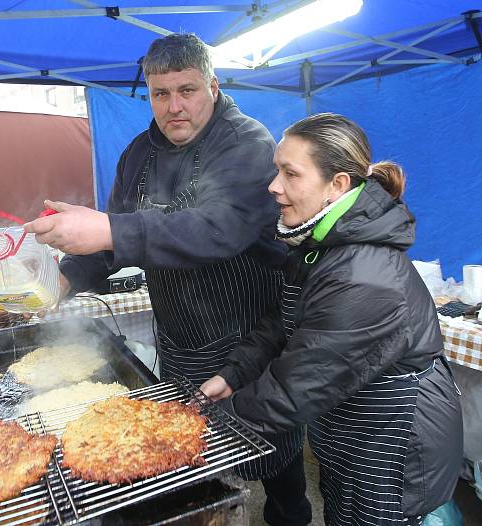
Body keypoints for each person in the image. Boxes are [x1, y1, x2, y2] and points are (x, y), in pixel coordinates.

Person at [25, 33, 311, 525]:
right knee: (192, 462)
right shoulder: (139, 154)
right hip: (180, 340)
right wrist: (67, 279)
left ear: (213, 87)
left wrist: (106, 226)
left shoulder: (247, 143)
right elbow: (112, 241)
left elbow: (217, 230)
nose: (175, 107)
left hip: (253, 340)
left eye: (188, 90)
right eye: (161, 94)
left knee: (273, 459)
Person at [201, 113, 463, 525]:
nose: (274, 186)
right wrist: (235, 373)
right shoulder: (321, 241)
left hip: (393, 446)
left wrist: (198, 433)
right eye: (276, 171)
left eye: (290, 174)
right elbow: (283, 320)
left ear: (337, 185)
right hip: (348, 426)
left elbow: (297, 384)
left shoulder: (366, 276)